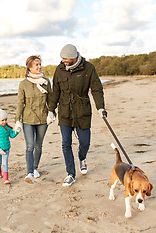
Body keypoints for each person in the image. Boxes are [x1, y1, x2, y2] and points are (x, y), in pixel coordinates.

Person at [48, 44, 107, 187]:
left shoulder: (88, 68)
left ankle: (82, 158)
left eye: (66, 59)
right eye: (62, 58)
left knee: (85, 143)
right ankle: (70, 174)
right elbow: (55, 90)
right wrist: (51, 110)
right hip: (64, 111)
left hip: (82, 112)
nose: (63, 61)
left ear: (74, 57)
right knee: (65, 143)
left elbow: (96, 89)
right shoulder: (59, 69)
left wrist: (101, 108)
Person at [14, 55, 55, 184]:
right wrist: (17, 120)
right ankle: (30, 173)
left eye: (40, 64)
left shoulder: (46, 81)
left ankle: (35, 167)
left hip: (43, 119)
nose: (39, 67)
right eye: (36, 65)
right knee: (30, 146)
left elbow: (51, 100)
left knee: (38, 145)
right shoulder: (23, 84)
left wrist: (51, 113)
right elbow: (20, 103)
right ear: (29, 67)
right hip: (28, 120)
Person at [0, 109, 19, 184]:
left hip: (6, 149)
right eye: (2, 120)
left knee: (5, 163)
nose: (4, 122)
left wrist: (17, 131)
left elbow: (12, 135)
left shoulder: (7, 128)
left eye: (5, 120)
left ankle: (6, 178)